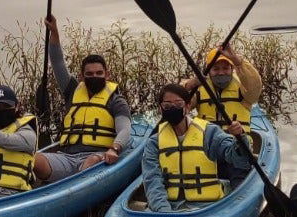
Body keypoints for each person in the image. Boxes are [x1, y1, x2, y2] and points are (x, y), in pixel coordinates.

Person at [32, 15, 132, 182]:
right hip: (65, 158)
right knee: (33, 159)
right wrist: (54, 31)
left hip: (97, 156)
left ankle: (74, 188)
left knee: (91, 162)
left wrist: (115, 148)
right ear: (82, 76)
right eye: (90, 74)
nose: (95, 77)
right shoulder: (72, 90)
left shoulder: (116, 100)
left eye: (99, 73)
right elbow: (57, 62)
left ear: (107, 75)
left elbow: (125, 130)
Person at [141, 84, 252, 212]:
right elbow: (152, 180)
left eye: (178, 104)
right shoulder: (154, 142)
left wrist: (239, 138)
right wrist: (164, 212)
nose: (172, 108)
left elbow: (238, 159)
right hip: (170, 207)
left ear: (188, 107)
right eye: (167, 106)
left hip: (209, 207)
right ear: (161, 109)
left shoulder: (209, 133)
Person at [183, 44, 262, 133]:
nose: (221, 73)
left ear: (232, 69)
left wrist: (236, 60)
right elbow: (177, 104)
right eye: (216, 69)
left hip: (238, 143)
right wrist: (188, 85)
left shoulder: (243, 87)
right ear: (209, 71)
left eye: (225, 68)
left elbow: (255, 86)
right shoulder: (200, 88)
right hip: (209, 143)